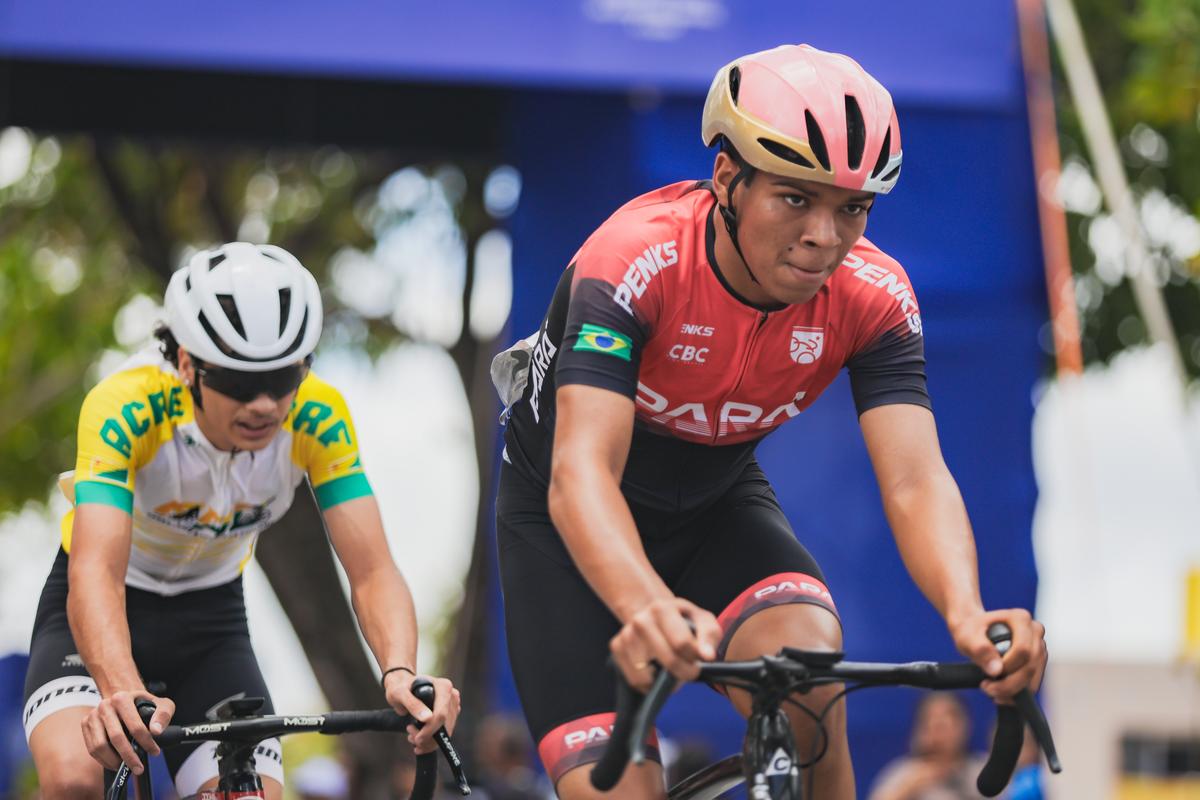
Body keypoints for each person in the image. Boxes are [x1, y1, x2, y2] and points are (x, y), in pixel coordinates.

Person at [492, 44, 1048, 800]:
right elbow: (579, 473)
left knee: (810, 677)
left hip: (715, 508)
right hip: (566, 528)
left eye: (852, 207)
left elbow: (916, 479)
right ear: (728, 180)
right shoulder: (633, 260)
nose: (826, 235)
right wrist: (647, 606)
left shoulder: (874, 295)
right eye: (795, 198)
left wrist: (968, 613)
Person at [22, 243, 460, 799]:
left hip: (211, 624)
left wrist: (402, 672)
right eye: (236, 381)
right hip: (106, 605)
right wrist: (119, 690)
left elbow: (372, 570)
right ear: (186, 363)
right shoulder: (125, 407)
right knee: (75, 780)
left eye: (283, 378)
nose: (264, 405)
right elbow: (95, 574)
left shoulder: (318, 415)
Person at [868, 694, 987, 800]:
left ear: (964, 726)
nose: (937, 735)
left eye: (943, 726)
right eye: (929, 724)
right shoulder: (904, 773)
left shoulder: (984, 770)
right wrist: (910, 787)